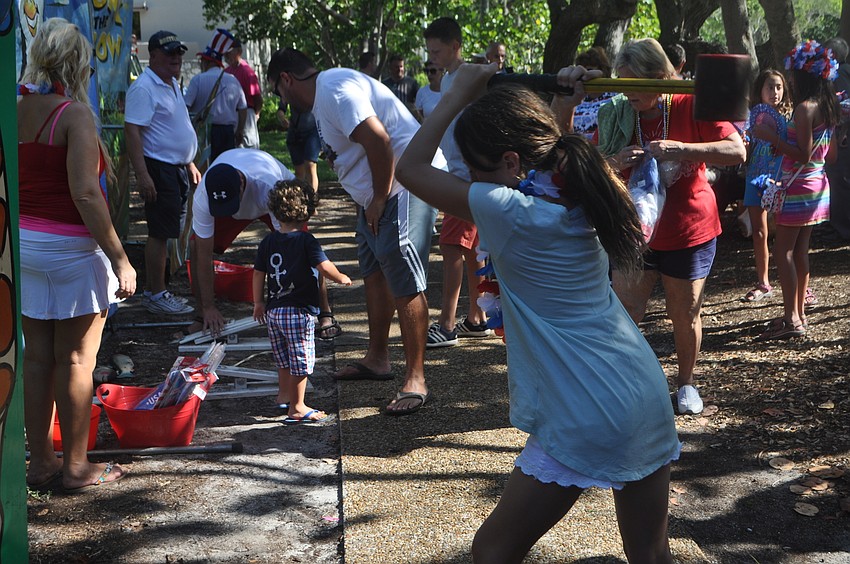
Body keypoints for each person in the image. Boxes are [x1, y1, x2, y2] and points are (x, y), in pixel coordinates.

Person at [395, 62, 681, 564]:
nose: (469, 182)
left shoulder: (511, 210)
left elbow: (410, 170)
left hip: (587, 403)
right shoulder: (582, 194)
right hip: (640, 389)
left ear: (509, 164)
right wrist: (563, 107)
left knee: (493, 551)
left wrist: (456, 95)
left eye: (472, 170)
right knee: (650, 556)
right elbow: (553, 157)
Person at [266, 47, 441, 415]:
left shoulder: (334, 90)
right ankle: (378, 358)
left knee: (405, 278)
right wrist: (368, 199)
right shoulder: (324, 98)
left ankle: (416, 377)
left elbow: (379, 140)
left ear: (286, 79)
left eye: (278, 92)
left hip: (403, 185)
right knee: (375, 272)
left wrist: (378, 197)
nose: (281, 101)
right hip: (375, 196)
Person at [593, 38, 746, 415]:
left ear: (660, 76)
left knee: (684, 312)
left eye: (635, 85)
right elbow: (593, 166)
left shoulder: (689, 101)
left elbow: (737, 150)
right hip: (636, 231)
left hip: (689, 228)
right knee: (625, 308)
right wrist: (614, 160)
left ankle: (686, 384)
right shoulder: (616, 113)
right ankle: (626, 381)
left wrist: (684, 149)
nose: (629, 94)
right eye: (622, 84)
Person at [18, 17, 135, 492]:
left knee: (37, 360)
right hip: (70, 250)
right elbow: (86, 194)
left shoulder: (13, 106)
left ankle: (41, 463)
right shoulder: (73, 115)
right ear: (76, 63)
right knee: (76, 362)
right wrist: (121, 258)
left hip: (25, 248)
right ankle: (77, 467)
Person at [189, 148, 342, 340]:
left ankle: (323, 312)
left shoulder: (269, 185)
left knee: (302, 245)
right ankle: (203, 314)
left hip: (271, 198)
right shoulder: (203, 196)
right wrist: (209, 306)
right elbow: (204, 256)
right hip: (243, 196)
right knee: (196, 248)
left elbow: (290, 246)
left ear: (242, 183)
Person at [752, 40, 839, 341]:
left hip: (798, 189)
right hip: (817, 187)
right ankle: (798, 314)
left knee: (783, 251)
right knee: (800, 251)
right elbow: (831, 156)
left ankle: (791, 319)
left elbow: (801, 154)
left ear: (804, 76)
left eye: (792, 75)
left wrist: (771, 138)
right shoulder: (828, 107)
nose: (789, 81)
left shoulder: (804, 109)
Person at [253, 179, 352, 423]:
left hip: (274, 311)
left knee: (283, 357)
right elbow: (323, 266)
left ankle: (283, 396)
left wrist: (258, 302)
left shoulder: (268, 241)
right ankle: (297, 407)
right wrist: (340, 277)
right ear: (307, 211)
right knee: (301, 358)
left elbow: (258, 273)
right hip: (298, 312)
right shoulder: (307, 241)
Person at [423, 16, 490, 348]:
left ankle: (447, 325)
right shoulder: (450, 78)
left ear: (455, 46)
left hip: (466, 176)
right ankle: (477, 318)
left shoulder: (468, 76)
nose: (432, 57)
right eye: (429, 51)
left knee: (451, 247)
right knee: (471, 251)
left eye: (437, 51)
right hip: (460, 173)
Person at [125, 30, 200, 315]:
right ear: (152, 55)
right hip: (159, 169)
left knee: (169, 231)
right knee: (159, 233)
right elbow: (132, 132)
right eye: (169, 53)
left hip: (176, 168)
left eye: (179, 53)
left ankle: (159, 290)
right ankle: (155, 294)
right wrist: (143, 175)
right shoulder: (144, 87)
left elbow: (174, 126)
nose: (176, 58)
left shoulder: (170, 83)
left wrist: (189, 161)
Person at [740, 70, 793, 303]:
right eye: (770, 87)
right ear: (759, 90)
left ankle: (794, 281)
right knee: (759, 231)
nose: (775, 92)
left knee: (785, 231)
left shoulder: (791, 116)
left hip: (782, 178)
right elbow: (746, 151)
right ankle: (763, 282)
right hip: (755, 176)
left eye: (779, 87)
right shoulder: (751, 117)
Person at [184, 30, 247, 164]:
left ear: (206, 62)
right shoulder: (233, 80)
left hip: (204, 131)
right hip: (227, 132)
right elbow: (243, 108)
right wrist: (240, 130)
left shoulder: (198, 80)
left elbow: (186, 106)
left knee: (205, 166)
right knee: (227, 165)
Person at [552, 46, 616, 139]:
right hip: (577, 149)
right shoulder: (574, 99)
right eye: (581, 71)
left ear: (603, 71)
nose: (585, 76)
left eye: (590, 70)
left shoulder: (616, 97)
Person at [824, 37, 850, 240]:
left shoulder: (839, 75)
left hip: (842, 139)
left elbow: (844, 105)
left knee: (839, 181)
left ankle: (841, 229)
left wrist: (841, 133)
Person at [224, 37, 263, 149]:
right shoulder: (226, 72)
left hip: (247, 113)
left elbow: (257, 98)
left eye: (230, 53)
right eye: (226, 53)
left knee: (248, 146)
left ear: (239, 52)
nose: (227, 56)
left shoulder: (247, 72)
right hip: (231, 115)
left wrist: (256, 113)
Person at [277, 102, 321, 191]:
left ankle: (312, 199)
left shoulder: (315, 88)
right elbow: (281, 109)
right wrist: (282, 118)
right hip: (295, 132)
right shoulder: (288, 89)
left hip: (313, 131)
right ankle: (299, 199)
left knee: (310, 165)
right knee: (299, 172)